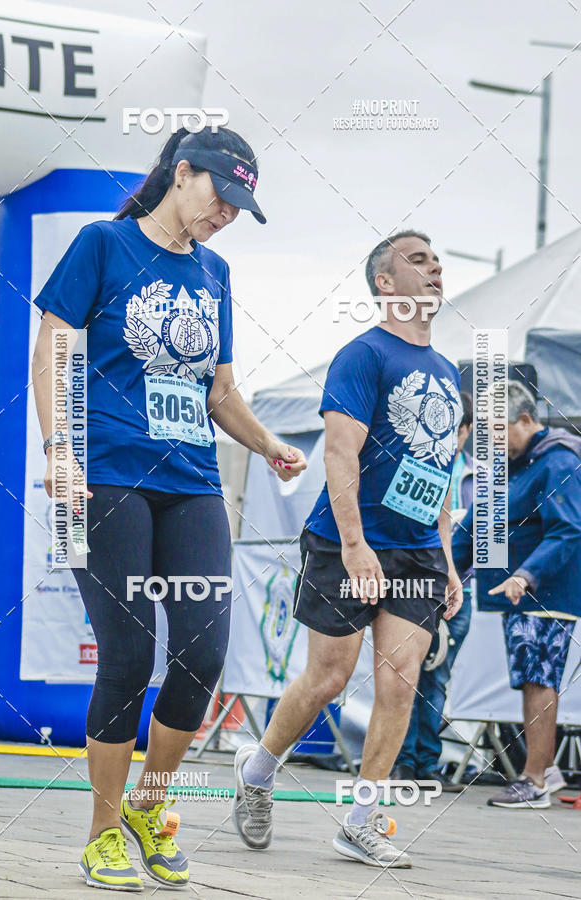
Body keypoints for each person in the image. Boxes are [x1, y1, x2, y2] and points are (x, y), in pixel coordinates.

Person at [31, 126, 307, 891]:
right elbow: (52, 344)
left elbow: (219, 392)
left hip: (191, 483)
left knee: (203, 654)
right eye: (221, 196)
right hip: (107, 477)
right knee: (126, 656)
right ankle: (103, 833)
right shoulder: (103, 244)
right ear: (181, 173)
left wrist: (268, 444)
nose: (225, 216)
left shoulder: (214, 272)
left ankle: (151, 808)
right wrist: (58, 452)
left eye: (239, 208)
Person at [231, 230, 463, 868]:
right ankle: (256, 773)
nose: (435, 268)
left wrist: (444, 559)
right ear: (385, 284)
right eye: (418, 260)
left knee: (399, 682)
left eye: (438, 262)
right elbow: (339, 455)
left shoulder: (447, 372)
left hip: (416, 551)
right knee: (329, 677)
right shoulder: (363, 356)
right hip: (347, 542)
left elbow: (440, 470)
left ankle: (361, 822)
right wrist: (357, 547)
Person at [452, 381, 581, 809]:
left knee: (538, 678)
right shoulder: (508, 467)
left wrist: (526, 576)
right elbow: (471, 528)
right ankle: (545, 770)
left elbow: (568, 529)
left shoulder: (557, 460)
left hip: (546, 595)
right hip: (516, 595)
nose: (489, 441)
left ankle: (535, 781)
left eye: (497, 429)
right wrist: (440, 571)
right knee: (530, 678)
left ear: (526, 420)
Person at [392, 391, 473, 790]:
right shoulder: (412, 463)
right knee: (403, 674)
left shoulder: (479, 476)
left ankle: (427, 765)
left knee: (436, 679)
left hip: (459, 589)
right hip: (415, 581)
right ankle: (401, 763)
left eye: (455, 430)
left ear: (465, 431)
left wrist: (460, 579)